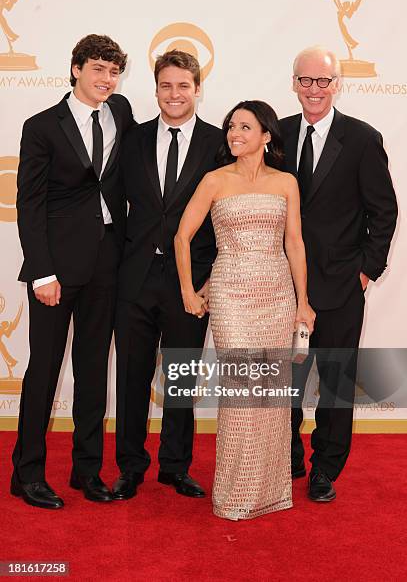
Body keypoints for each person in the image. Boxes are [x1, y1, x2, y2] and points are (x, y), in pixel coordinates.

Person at [175, 100, 315, 520]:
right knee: (240, 396)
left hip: (276, 294)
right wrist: (188, 290)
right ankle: (234, 495)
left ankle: (269, 492)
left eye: (244, 127)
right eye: (230, 127)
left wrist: (302, 301)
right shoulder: (215, 180)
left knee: (271, 396)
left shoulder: (286, 182)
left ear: (266, 136)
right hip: (232, 293)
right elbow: (183, 237)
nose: (234, 134)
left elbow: (294, 243)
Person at [11, 34, 135, 509]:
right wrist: (41, 272)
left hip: (108, 262)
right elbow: (30, 203)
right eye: (99, 69)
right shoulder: (41, 126)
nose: (107, 79)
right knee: (43, 372)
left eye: (114, 71)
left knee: (91, 371)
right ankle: (27, 474)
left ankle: (87, 471)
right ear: (77, 69)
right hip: (56, 269)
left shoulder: (120, 112)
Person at [279, 46, 398, 502]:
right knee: (283, 381)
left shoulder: (363, 139)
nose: (313, 89)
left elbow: (383, 211)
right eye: (305, 80)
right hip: (284, 285)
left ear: (337, 85)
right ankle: (286, 455)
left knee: (334, 382)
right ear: (293, 83)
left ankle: (325, 468)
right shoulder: (278, 136)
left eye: (322, 81)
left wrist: (366, 271)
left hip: (342, 286)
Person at [112, 50, 223, 501]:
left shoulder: (219, 143)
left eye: (183, 85)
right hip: (135, 277)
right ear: (155, 89)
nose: (174, 94)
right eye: (165, 86)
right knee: (132, 377)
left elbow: (225, 217)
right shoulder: (131, 139)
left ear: (198, 88)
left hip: (191, 281)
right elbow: (116, 208)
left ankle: (175, 466)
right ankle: (130, 467)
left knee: (181, 376)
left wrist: (211, 278)